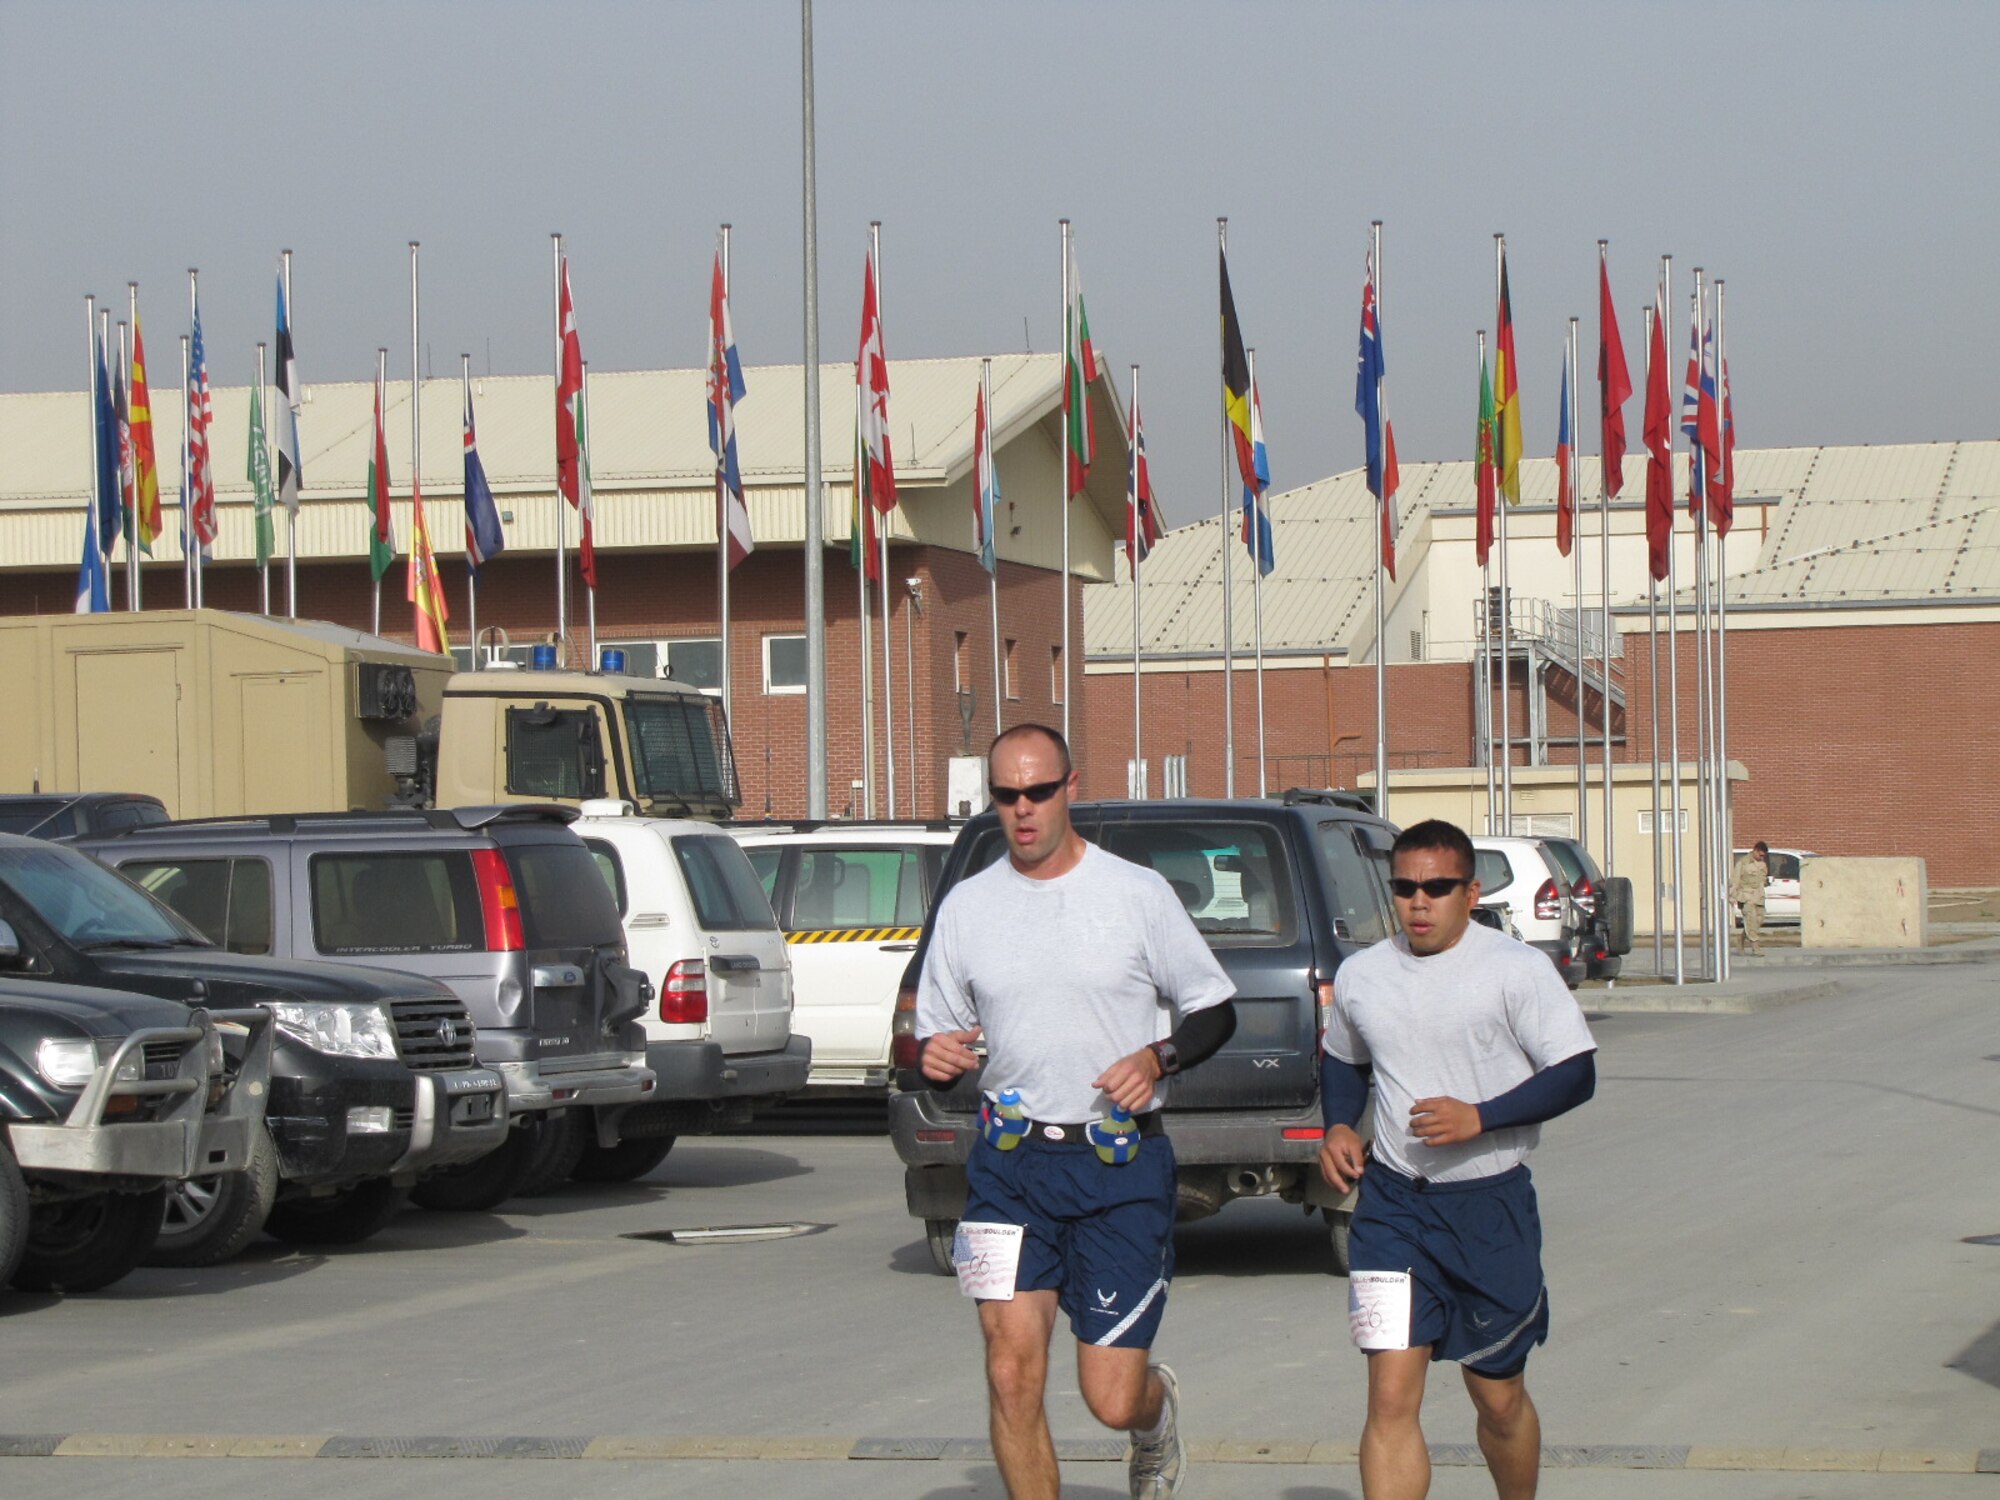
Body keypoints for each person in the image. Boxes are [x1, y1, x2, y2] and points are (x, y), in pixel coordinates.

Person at [918, 723, 1238, 1500]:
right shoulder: (967, 906)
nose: (1022, 809)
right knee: (1008, 1369)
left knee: (1110, 1396)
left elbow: (1214, 1010)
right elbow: (931, 1034)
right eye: (1006, 795)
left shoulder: (1135, 894)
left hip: (1115, 1168)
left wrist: (1157, 1058)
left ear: (1070, 788)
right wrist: (934, 1054)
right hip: (1010, 1166)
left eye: (1038, 791)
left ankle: (1152, 1420)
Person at [1318, 818, 1596, 1500]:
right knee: (1388, 1399)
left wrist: (1481, 1117)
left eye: (1437, 888)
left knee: (1497, 1399)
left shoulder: (1516, 970)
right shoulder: (1363, 975)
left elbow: (1576, 1072)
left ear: (1471, 893)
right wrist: (1337, 1128)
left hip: (1488, 1208)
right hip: (1391, 1208)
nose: (1419, 902)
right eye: (1406, 887)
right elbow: (1342, 1057)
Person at [1731, 842, 1770, 956]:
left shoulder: (1762, 864)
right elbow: (1735, 880)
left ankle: (1741, 939)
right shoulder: (1743, 863)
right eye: (1760, 855)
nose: (1762, 858)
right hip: (1746, 896)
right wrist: (1732, 896)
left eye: (1764, 856)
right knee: (1751, 920)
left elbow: (1762, 879)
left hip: (1759, 896)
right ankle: (1755, 947)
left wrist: (1766, 882)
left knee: (1758, 920)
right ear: (1755, 850)